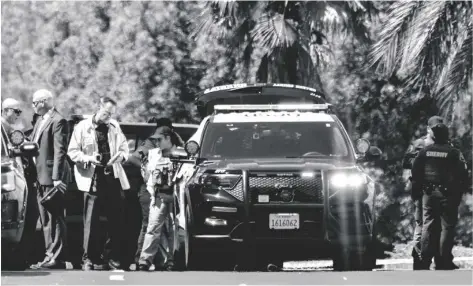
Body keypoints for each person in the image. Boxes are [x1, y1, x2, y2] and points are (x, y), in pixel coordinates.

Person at [67, 97, 130, 271]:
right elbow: (72, 152)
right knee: (91, 221)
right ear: (98, 107)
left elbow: (125, 149)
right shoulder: (82, 127)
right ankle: (88, 258)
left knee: (115, 220)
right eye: (106, 113)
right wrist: (88, 158)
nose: (108, 117)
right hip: (92, 178)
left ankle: (111, 257)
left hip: (112, 177)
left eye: (111, 114)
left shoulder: (115, 126)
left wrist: (121, 157)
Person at [411, 122, 468, 270]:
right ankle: (443, 261)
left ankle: (424, 260)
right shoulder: (454, 153)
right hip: (448, 194)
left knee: (428, 225)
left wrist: (417, 192)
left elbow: (415, 173)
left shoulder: (424, 152)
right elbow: (463, 174)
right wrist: (460, 192)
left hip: (429, 195)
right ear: (446, 135)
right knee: (447, 227)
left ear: (434, 135)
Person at [402, 115, 456, 270]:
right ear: (428, 129)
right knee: (423, 224)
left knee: (440, 226)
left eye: (440, 127)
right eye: (435, 128)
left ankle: (442, 259)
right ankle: (420, 258)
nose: (438, 130)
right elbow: (407, 163)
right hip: (422, 190)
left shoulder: (447, 144)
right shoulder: (420, 144)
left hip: (441, 192)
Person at [127, 117, 182, 268]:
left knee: (172, 228)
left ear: (167, 137)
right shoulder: (153, 150)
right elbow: (135, 160)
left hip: (174, 194)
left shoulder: (180, 150)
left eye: (160, 139)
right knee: (152, 226)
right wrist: (146, 174)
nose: (157, 142)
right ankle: (143, 260)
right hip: (156, 193)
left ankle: (169, 260)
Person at [29, 89, 71, 269]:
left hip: (51, 177)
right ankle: (49, 254)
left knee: (55, 217)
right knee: (45, 219)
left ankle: (58, 257)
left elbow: (60, 150)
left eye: (34, 102)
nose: (33, 106)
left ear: (44, 101)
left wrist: (56, 178)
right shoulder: (40, 120)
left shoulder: (58, 120)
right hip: (39, 175)